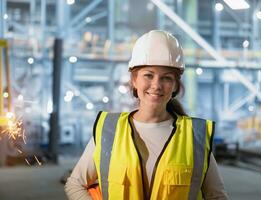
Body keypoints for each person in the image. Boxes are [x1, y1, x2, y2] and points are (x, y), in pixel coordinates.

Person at [65, 30, 229, 200]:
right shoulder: (109, 132)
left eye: (166, 78)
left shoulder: (194, 137)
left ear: (175, 86)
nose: (156, 85)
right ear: (134, 81)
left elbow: (217, 196)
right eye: (148, 75)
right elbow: (75, 184)